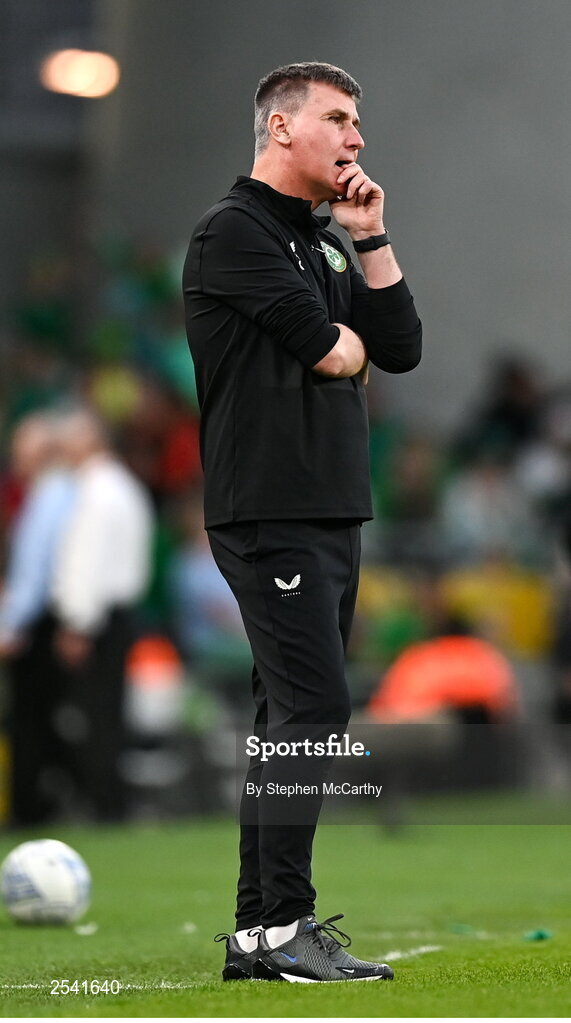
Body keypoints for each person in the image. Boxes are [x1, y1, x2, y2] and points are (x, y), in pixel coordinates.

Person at [183, 61, 422, 983]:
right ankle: (282, 923)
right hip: (268, 508)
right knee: (315, 708)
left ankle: (259, 934)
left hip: (330, 507)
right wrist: (346, 347)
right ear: (281, 129)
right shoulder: (231, 232)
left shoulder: (322, 242)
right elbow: (331, 353)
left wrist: (370, 238)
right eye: (338, 118)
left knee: (286, 713)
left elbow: (393, 350)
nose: (356, 137)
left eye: (357, 121)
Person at [50, 407, 154, 820]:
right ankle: (112, 803)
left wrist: (77, 622)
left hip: (99, 618)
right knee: (109, 714)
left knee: (98, 717)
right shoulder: (121, 485)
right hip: (118, 614)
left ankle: (105, 805)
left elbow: (86, 562)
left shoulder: (97, 491)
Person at [0, 412, 76, 825]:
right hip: (41, 619)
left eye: (21, 451)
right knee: (40, 719)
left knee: (29, 721)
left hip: (37, 623)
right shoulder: (51, 494)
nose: (16, 460)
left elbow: (35, 572)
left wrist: (10, 625)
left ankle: (30, 808)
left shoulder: (50, 497)